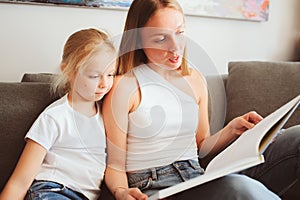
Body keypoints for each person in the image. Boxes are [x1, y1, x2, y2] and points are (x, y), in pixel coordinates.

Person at [102, 0, 283, 199]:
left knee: (295, 138)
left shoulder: (195, 79)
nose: (175, 47)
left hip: (197, 176)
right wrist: (121, 192)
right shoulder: (124, 86)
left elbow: (201, 145)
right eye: (161, 38)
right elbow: (114, 165)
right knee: (239, 187)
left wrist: (232, 129)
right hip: (156, 187)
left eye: (179, 33)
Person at [0, 28, 116, 200]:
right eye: (94, 76)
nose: (104, 83)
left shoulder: (107, 116)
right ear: (68, 72)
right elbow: (19, 182)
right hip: (52, 191)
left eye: (110, 74)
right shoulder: (55, 117)